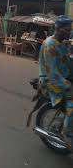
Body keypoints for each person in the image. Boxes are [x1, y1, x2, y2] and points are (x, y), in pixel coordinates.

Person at [39, 15, 73, 146]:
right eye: (67, 30)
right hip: (52, 81)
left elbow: (67, 60)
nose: (69, 33)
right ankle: (66, 134)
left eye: (70, 30)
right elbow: (52, 73)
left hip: (63, 78)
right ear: (58, 29)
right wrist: (68, 85)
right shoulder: (49, 45)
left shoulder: (63, 43)